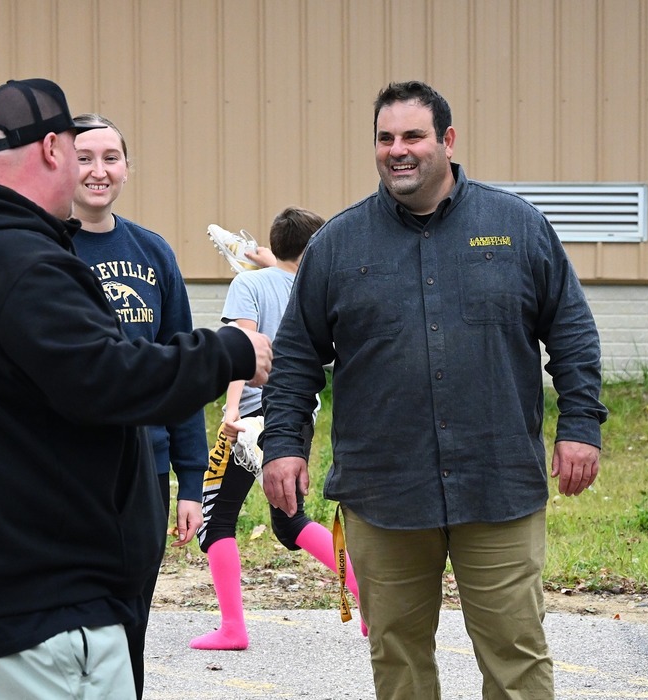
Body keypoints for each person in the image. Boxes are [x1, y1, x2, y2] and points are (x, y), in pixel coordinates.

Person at [0, 78, 272, 700]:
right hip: (40, 603)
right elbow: (110, 378)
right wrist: (230, 351)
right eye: (77, 149)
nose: (85, 167)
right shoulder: (25, 265)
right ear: (51, 149)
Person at [260, 81, 608, 700]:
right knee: (396, 655)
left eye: (413, 136)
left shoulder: (517, 228)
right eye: (385, 138)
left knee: (516, 654)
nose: (399, 150)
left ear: (446, 140)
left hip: (496, 483)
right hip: (384, 489)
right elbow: (295, 357)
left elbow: (573, 332)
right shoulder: (336, 247)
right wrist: (284, 443)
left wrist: (580, 427)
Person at [70, 113, 208, 693]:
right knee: (69, 621)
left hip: (143, 473)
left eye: (110, 158)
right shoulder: (41, 247)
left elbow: (182, 372)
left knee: (131, 619)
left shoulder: (152, 253)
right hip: (66, 471)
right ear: (57, 162)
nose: (98, 171)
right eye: (84, 157)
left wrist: (191, 482)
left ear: (126, 168)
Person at [190, 206, 365, 651]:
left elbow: (242, 349)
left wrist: (230, 412)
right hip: (297, 421)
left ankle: (232, 628)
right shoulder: (315, 288)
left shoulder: (247, 284)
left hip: (249, 418)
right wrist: (270, 259)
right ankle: (371, 601)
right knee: (291, 524)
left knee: (216, 521)